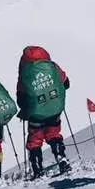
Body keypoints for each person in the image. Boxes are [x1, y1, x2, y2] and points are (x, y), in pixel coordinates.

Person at [16, 46, 71, 178]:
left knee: (35, 141)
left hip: (36, 114)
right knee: (54, 134)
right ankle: (61, 158)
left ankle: (37, 169)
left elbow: (21, 98)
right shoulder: (53, 67)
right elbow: (66, 83)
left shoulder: (25, 74)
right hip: (54, 110)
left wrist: (25, 110)